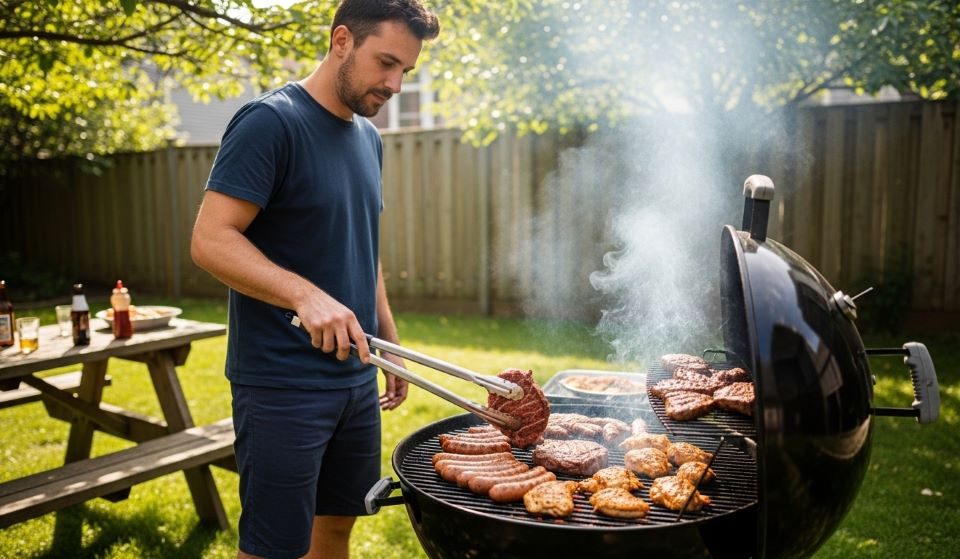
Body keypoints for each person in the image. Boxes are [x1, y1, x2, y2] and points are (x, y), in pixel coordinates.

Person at [190, 1, 440, 557]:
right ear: (342, 40)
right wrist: (304, 294)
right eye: (386, 63)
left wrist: (389, 337)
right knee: (274, 546)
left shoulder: (368, 138)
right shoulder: (271, 122)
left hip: (356, 376)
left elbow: (361, 245)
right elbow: (210, 239)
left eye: (406, 70)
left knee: (336, 529)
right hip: (282, 384)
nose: (396, 84)